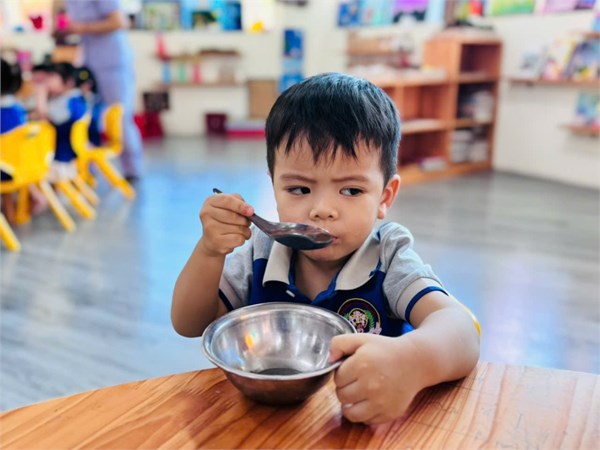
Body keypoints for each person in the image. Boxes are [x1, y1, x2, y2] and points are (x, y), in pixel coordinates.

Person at [171, 73, 480, 424]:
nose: (322, 210)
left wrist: (411, 362)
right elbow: (189, 323)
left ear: (385, 197)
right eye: (299, 189)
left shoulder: (388, 257)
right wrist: (209, 251)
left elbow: (462, 331)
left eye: (351, 191)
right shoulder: (262, 250)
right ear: (274, 187)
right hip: (265, 423)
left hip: (363, 426)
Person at [62, 0, 143, 182]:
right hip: (89, 63)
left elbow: (120, 21)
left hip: (113, 63)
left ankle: (132, 170)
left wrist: (82, 27)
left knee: (120, 117)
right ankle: (88, 166)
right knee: (87, 117)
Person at [44, 62, 87, 180]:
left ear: (69, 82)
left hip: (60, 155)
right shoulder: (76, 98)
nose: (47, 81)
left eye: (52, 77)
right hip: (71, 152)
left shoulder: (66, 102)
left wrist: (40, 96)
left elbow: (45, 118)